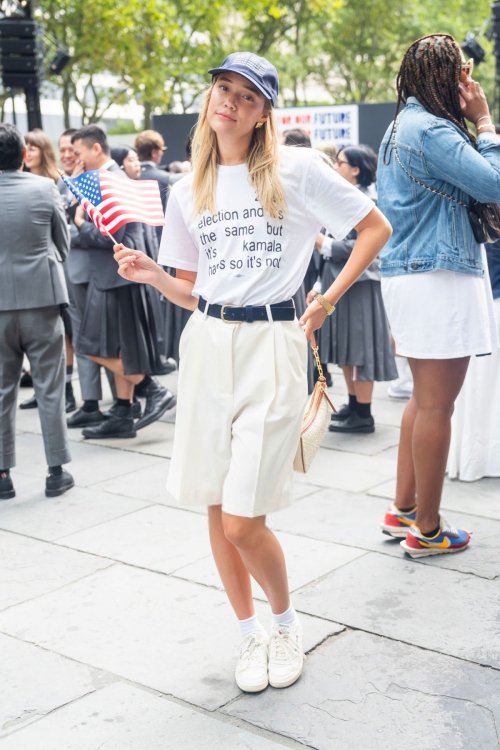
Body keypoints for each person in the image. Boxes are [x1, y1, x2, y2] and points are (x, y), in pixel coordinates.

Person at [112, 52, 391, 693]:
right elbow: (192, 288)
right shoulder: (188, 189)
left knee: (243, 518)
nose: (228, 103)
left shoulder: (295, 171)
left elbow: (375, 228)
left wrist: (327, 298)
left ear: (264, 110)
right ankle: (248, 634)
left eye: (245, 95)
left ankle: (287, 622)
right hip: (207, 341)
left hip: (273, 341)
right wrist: (155, 276)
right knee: (216, 505)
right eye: (222, 89)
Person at [377, 34, 500, 557]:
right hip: (438, 276)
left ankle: (404, 508)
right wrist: (486, 122)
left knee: (423, 403)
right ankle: (427, 529)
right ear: (447, 78)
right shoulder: (430, 129)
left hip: (411, 274)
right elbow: (494, 184)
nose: (466, 87)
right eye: (461, 76)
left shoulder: (399, 126)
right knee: (436, 408)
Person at [70, 126, 175, 439]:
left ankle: (152, 390)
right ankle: (122, 410)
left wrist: (81, 227)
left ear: (95, 150)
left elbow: (122, 238)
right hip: (114, 278)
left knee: (92, 347)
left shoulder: (110, 180)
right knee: (120, 350)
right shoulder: (103, 179)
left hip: (115, 278)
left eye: (78, 152)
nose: (74, 159)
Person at [0, 123, 74, 499]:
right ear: (24, 154)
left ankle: (2, 476)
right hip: (42, 299)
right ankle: (55, 471)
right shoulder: (46, 188)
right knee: (50, 387)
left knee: (1, 390)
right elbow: (63, 246)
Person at [308, 145, 397, 433]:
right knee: (346, 347)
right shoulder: (345, 198)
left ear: (356, 169)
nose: (335, 167)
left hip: (360, 286)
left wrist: (323, 243)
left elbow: (364, 244)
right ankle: (354, 405)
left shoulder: (370, 200)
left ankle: (364, 412)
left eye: (340, 163)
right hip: (340, 285)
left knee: (359, 348)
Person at [19, 129, 76, 413]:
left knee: (63, 333)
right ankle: (40, 387)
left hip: (55, 268)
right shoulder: (18, 181)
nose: (28, 152)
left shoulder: (55, 182)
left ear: (43, 150)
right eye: (24, 147)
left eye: (33, 147)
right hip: (28, 274)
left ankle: (66, 390)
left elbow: (62, 232)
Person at [447, 239, 500, 480]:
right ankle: (481, 459)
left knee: (479, 387)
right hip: (490, 301)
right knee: (483, 386)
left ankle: (478, 457)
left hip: (480, 298)